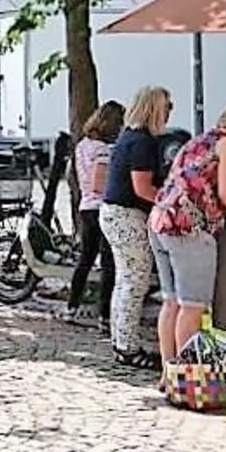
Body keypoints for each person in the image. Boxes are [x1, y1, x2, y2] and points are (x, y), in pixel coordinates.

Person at [148, 103, 226, 370]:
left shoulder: (203, 140)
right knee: (192, 307)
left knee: (171, 303)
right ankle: (188, 376)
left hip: (162, 219)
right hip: (189, 227)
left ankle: (169, 373)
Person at [101, 86, 174, 369]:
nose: (169, 113)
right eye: (167, 107)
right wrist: (171, 202)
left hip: (115, 214)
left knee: (126, 280)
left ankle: (121, 342)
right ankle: (128, 347)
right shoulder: (142, 142)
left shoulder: (129, 137)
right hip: (127, 215)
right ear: (155, 109)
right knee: (135, 281)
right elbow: (143, 188)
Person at [68, 100, 124, 326]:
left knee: (86, 259)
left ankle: (72, 306)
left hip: (86, 207)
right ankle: (105, 315)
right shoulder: (103, 150)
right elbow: (99, 183)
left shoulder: (82, 145)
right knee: (108, 263)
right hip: (101, 207)